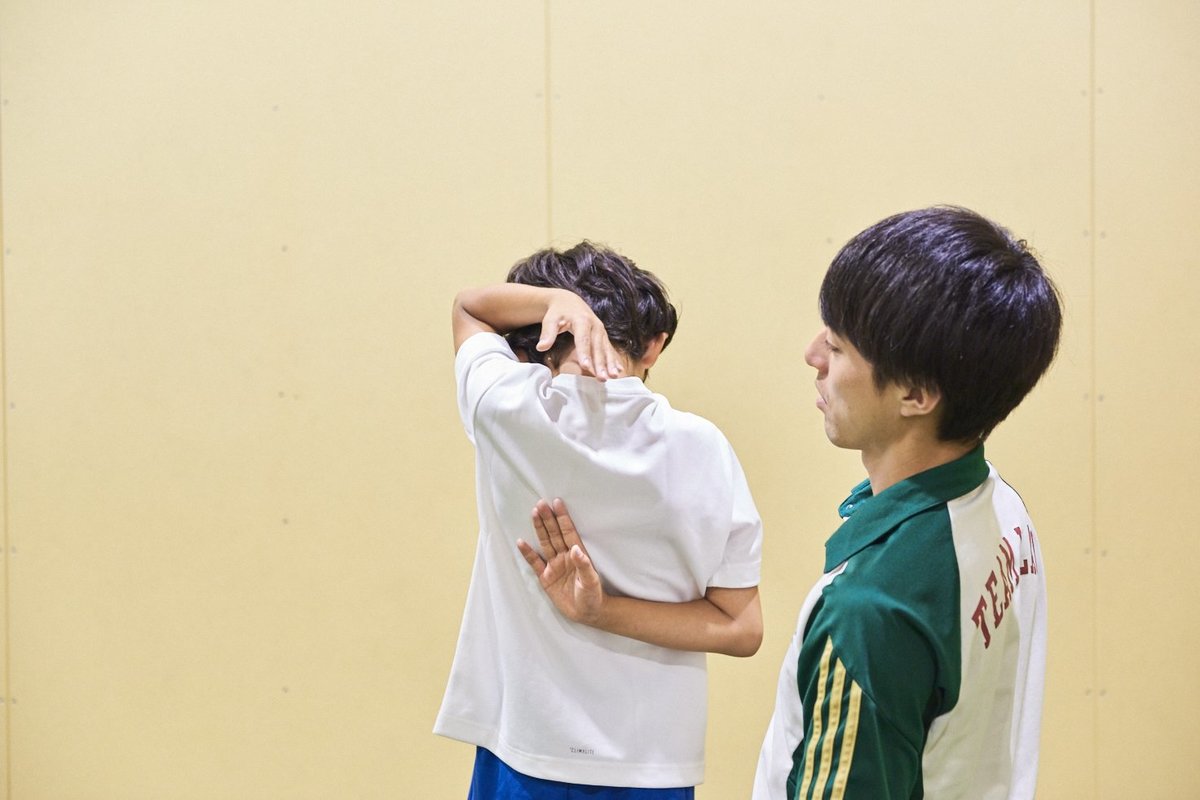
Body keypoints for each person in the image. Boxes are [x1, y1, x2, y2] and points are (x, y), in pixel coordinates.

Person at [753, 206, 1063, 799]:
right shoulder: (1000, 504)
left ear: (916, 394)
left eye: (838, 347)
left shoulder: (868, 611)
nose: (813, 354)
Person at [435, 241, 764, 799]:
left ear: (529, 346)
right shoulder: (703, 447)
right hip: (653, 763)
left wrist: (554, 301)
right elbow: (741, 628)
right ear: (655, 345)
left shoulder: (506, 407)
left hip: (525, 748)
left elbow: (469, 307)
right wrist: (602, 611)